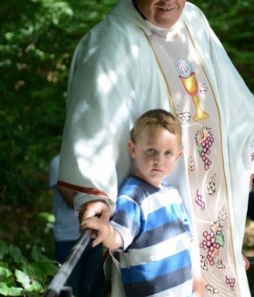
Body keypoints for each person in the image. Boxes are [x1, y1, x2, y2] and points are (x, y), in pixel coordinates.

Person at [58, 0, 254, 297]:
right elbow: (92, 124)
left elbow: (231, 94)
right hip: (156, 207)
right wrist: (92, 197)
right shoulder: (110, 43)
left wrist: (249, 156)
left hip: (210, 197)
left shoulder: (194, 20)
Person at [81, 109, 200, 297]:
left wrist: (198, 285)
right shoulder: (133, 195)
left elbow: (188, 242)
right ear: (134, 149)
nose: (159, 160)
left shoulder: (172, 194)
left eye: (168, 153)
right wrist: (105, 231)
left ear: (177, 157)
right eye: (151, 151)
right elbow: (119, 237)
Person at [49, 154, 105, 297]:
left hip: (93, 235)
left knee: (92, 290)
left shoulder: (93, 160)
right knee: (69, 290)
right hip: (67, 238)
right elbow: (74, 201)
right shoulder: (58, 162)